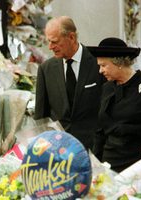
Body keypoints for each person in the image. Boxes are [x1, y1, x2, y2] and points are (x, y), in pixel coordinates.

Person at [34, 16, 105, 150]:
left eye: (54, 42)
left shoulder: (98, 64)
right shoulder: (46, 69)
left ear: (71, 37)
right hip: (58, 150)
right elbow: (41, 117)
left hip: (94, 149)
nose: (50, 47)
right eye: (49, 42)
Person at [87, 37, 141, 172]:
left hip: (137, 164)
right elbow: (100, 131)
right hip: (108, 163)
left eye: (103, 65)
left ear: (119, 63)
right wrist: (96, 163)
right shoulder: (107, 88)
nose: (100, 71)